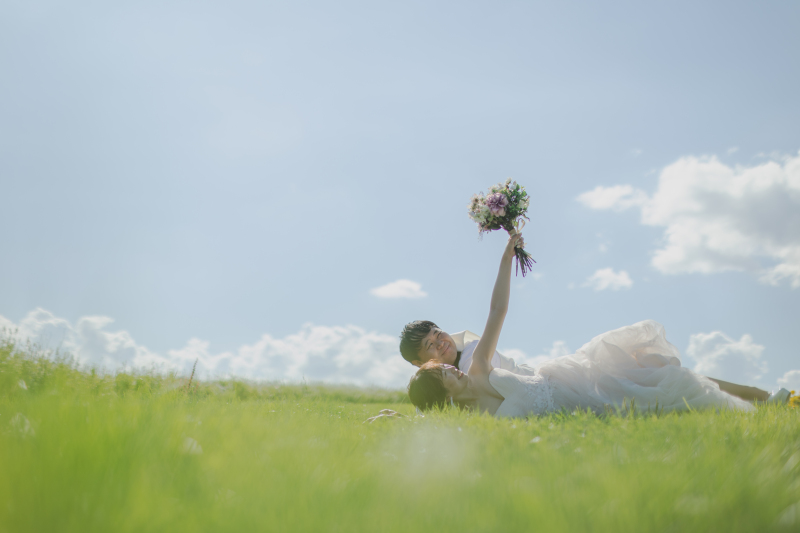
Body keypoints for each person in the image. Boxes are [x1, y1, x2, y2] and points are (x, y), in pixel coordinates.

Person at [403, 232, 790, 418]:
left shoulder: (476, 364)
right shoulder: (455, 407)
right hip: (567, 408)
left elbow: (497, 311)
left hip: (568, 379)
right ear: (425, 367)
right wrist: (401, 417)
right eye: (431, 350)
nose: (440, 347)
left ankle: (763, 399)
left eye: (437, 334)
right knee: (654, 400)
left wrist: (506, 259)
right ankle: (758, 405)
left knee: (663, 378)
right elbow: (434, 415)